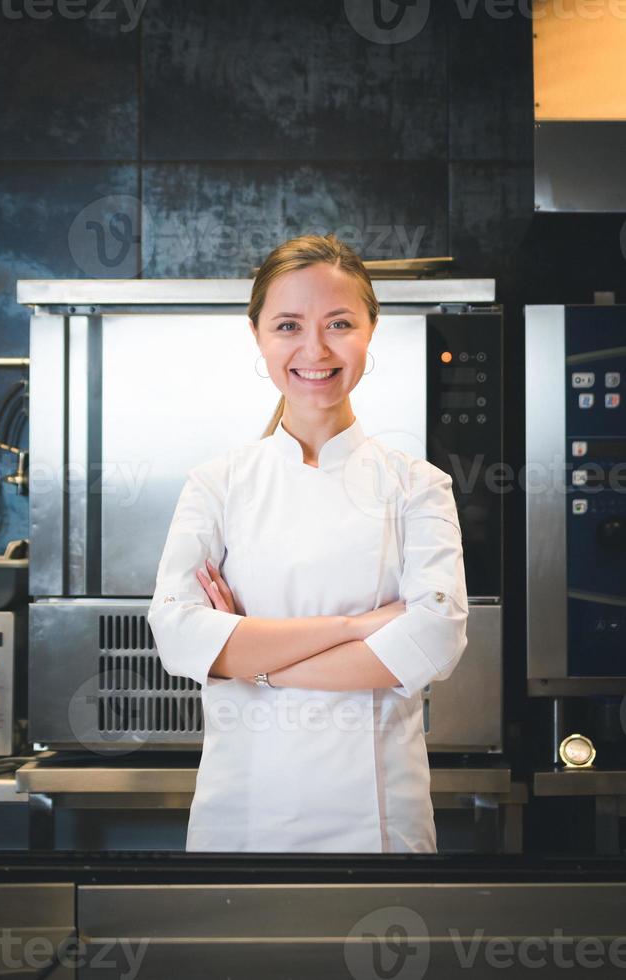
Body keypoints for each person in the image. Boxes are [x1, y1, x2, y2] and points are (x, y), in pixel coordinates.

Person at [147, 233, 469, 853]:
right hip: (242, 816)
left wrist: (253, 662)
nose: (315, 349)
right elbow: (179, 633)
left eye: (339, 323)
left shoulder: (417, 487)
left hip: (379, 824)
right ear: (258, 336)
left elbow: (434, 638)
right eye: (289, 325)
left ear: (371, 331)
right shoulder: (218, 484)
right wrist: (357, 626)